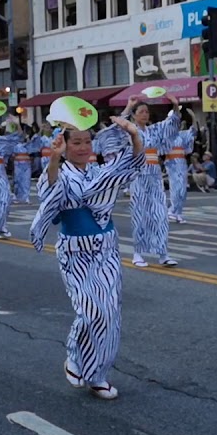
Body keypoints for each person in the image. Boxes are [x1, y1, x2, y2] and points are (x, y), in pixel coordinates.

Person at [30, 113, 145, 401]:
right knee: (91, 309)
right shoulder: (62, 171)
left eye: (86, 141)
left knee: (109, 313)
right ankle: (75, 356)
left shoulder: (99, 172)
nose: (83, 147)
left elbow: (131, 165)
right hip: (74, 251)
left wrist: (134, 135)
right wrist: (54, 160)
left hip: (106, 247)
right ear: (65, 145)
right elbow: (48, 191)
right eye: (76, 142)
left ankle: (98, 375)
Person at [122, 95, 182, 267]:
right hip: (138, 175)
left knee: (160, 215)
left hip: (154, 176)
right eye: (141, 111)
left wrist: (175, 105)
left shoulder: (154, 130)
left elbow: (171, 124)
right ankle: (138, 253)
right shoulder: (131, 130)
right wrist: (128, 105)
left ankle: (163, 253)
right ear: (134, 115)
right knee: (140, 214)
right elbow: (119, 126)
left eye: (147, 111)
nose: (145, 114)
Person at [165, 121, 195, 224]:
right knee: (176, 188)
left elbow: (192, 133)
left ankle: (178, 212)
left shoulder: (181, 135)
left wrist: (193, 118)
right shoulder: (166, 136)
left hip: (181, 164)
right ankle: (172, 210)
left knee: (183, 190)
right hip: (172, 164)